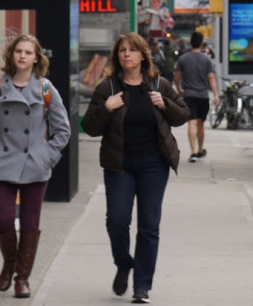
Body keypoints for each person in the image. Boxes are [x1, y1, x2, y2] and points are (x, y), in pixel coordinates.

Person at [81, 32, 189, 304]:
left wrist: (164, 104)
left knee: (149, 226)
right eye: (121, 50)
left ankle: (142, 286)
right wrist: (106, 108)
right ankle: (124, 262)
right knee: (117, 222)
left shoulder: (159, 84)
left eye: (132, 50)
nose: (126, 54)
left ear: (143, 55)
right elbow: (90, 127)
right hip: (120, 165)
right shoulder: (108, 88)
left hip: (154, 165)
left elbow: (182, 116)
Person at [0, 34, 71, 299]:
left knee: (30, 223)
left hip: (34, 164)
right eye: (19, 51)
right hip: (2, 163)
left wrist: (46, 157)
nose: (22, 56)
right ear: (11, 55)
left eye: (28, 52)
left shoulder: (46, 89)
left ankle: (22, 278)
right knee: (4, 220)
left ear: (37, 58)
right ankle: (9, 263)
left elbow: (62, 131)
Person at [173, 31, 219, 163]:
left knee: (191, 123)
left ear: (190, 43)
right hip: (203, 95)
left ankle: (192, 152)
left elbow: (177, 76)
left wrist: (179, 89)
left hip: (189, 95)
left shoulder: (183, 59)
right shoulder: (206, 59)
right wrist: (215, 94)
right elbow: (211, 77)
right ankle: (200, 150)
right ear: (201, 43)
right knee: (200, 124)